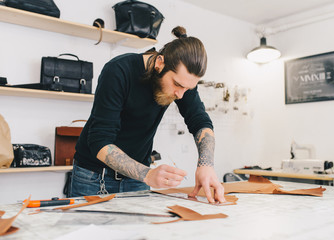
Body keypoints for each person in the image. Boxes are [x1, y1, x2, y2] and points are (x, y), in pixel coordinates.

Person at [69, 26, 226, 203]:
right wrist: (148, 174)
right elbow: (100, 140)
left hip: (137, 179)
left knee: (139, 231)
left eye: (187, 88)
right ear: (160, 63)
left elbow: (200, 121)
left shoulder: (183, 81)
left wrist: (206, 166)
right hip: (94, 176)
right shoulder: (119, 70)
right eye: (177, 85)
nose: (181, 94)